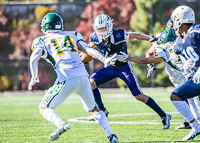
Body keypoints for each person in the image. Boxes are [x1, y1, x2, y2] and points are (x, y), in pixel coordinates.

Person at [28, 12, 118, 143]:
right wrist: (104, 59)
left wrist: (34, 76)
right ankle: (111, 135)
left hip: (66, 78)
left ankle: (60, 124)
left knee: (44, 107)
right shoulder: (73, 34)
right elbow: (88, 49)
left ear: (45, 27)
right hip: (83, 77)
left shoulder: (41, 40)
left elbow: (33, 59)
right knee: (94, 109)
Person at [85, 14, 171, 130]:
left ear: (110, 26)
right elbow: (90, 47)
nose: (102, 31)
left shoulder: (119, 34)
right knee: (91, 83)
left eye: (105, 27)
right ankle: (102, 110)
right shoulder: (94, 37)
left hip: (124, 67)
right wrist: (84, 53)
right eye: (100, 28)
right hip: (111, 67)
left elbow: (135, 36)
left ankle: (164, 115)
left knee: (138, 95)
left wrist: (151, 38)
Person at [117, 28, 200, 131]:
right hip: (190, 71)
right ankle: (192, 122)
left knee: (188, 98)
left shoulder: (164, 47)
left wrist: (129, 58)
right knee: (191, 98)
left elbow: (146, 59)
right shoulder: (181, 41)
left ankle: (196, 123)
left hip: (185, 74)